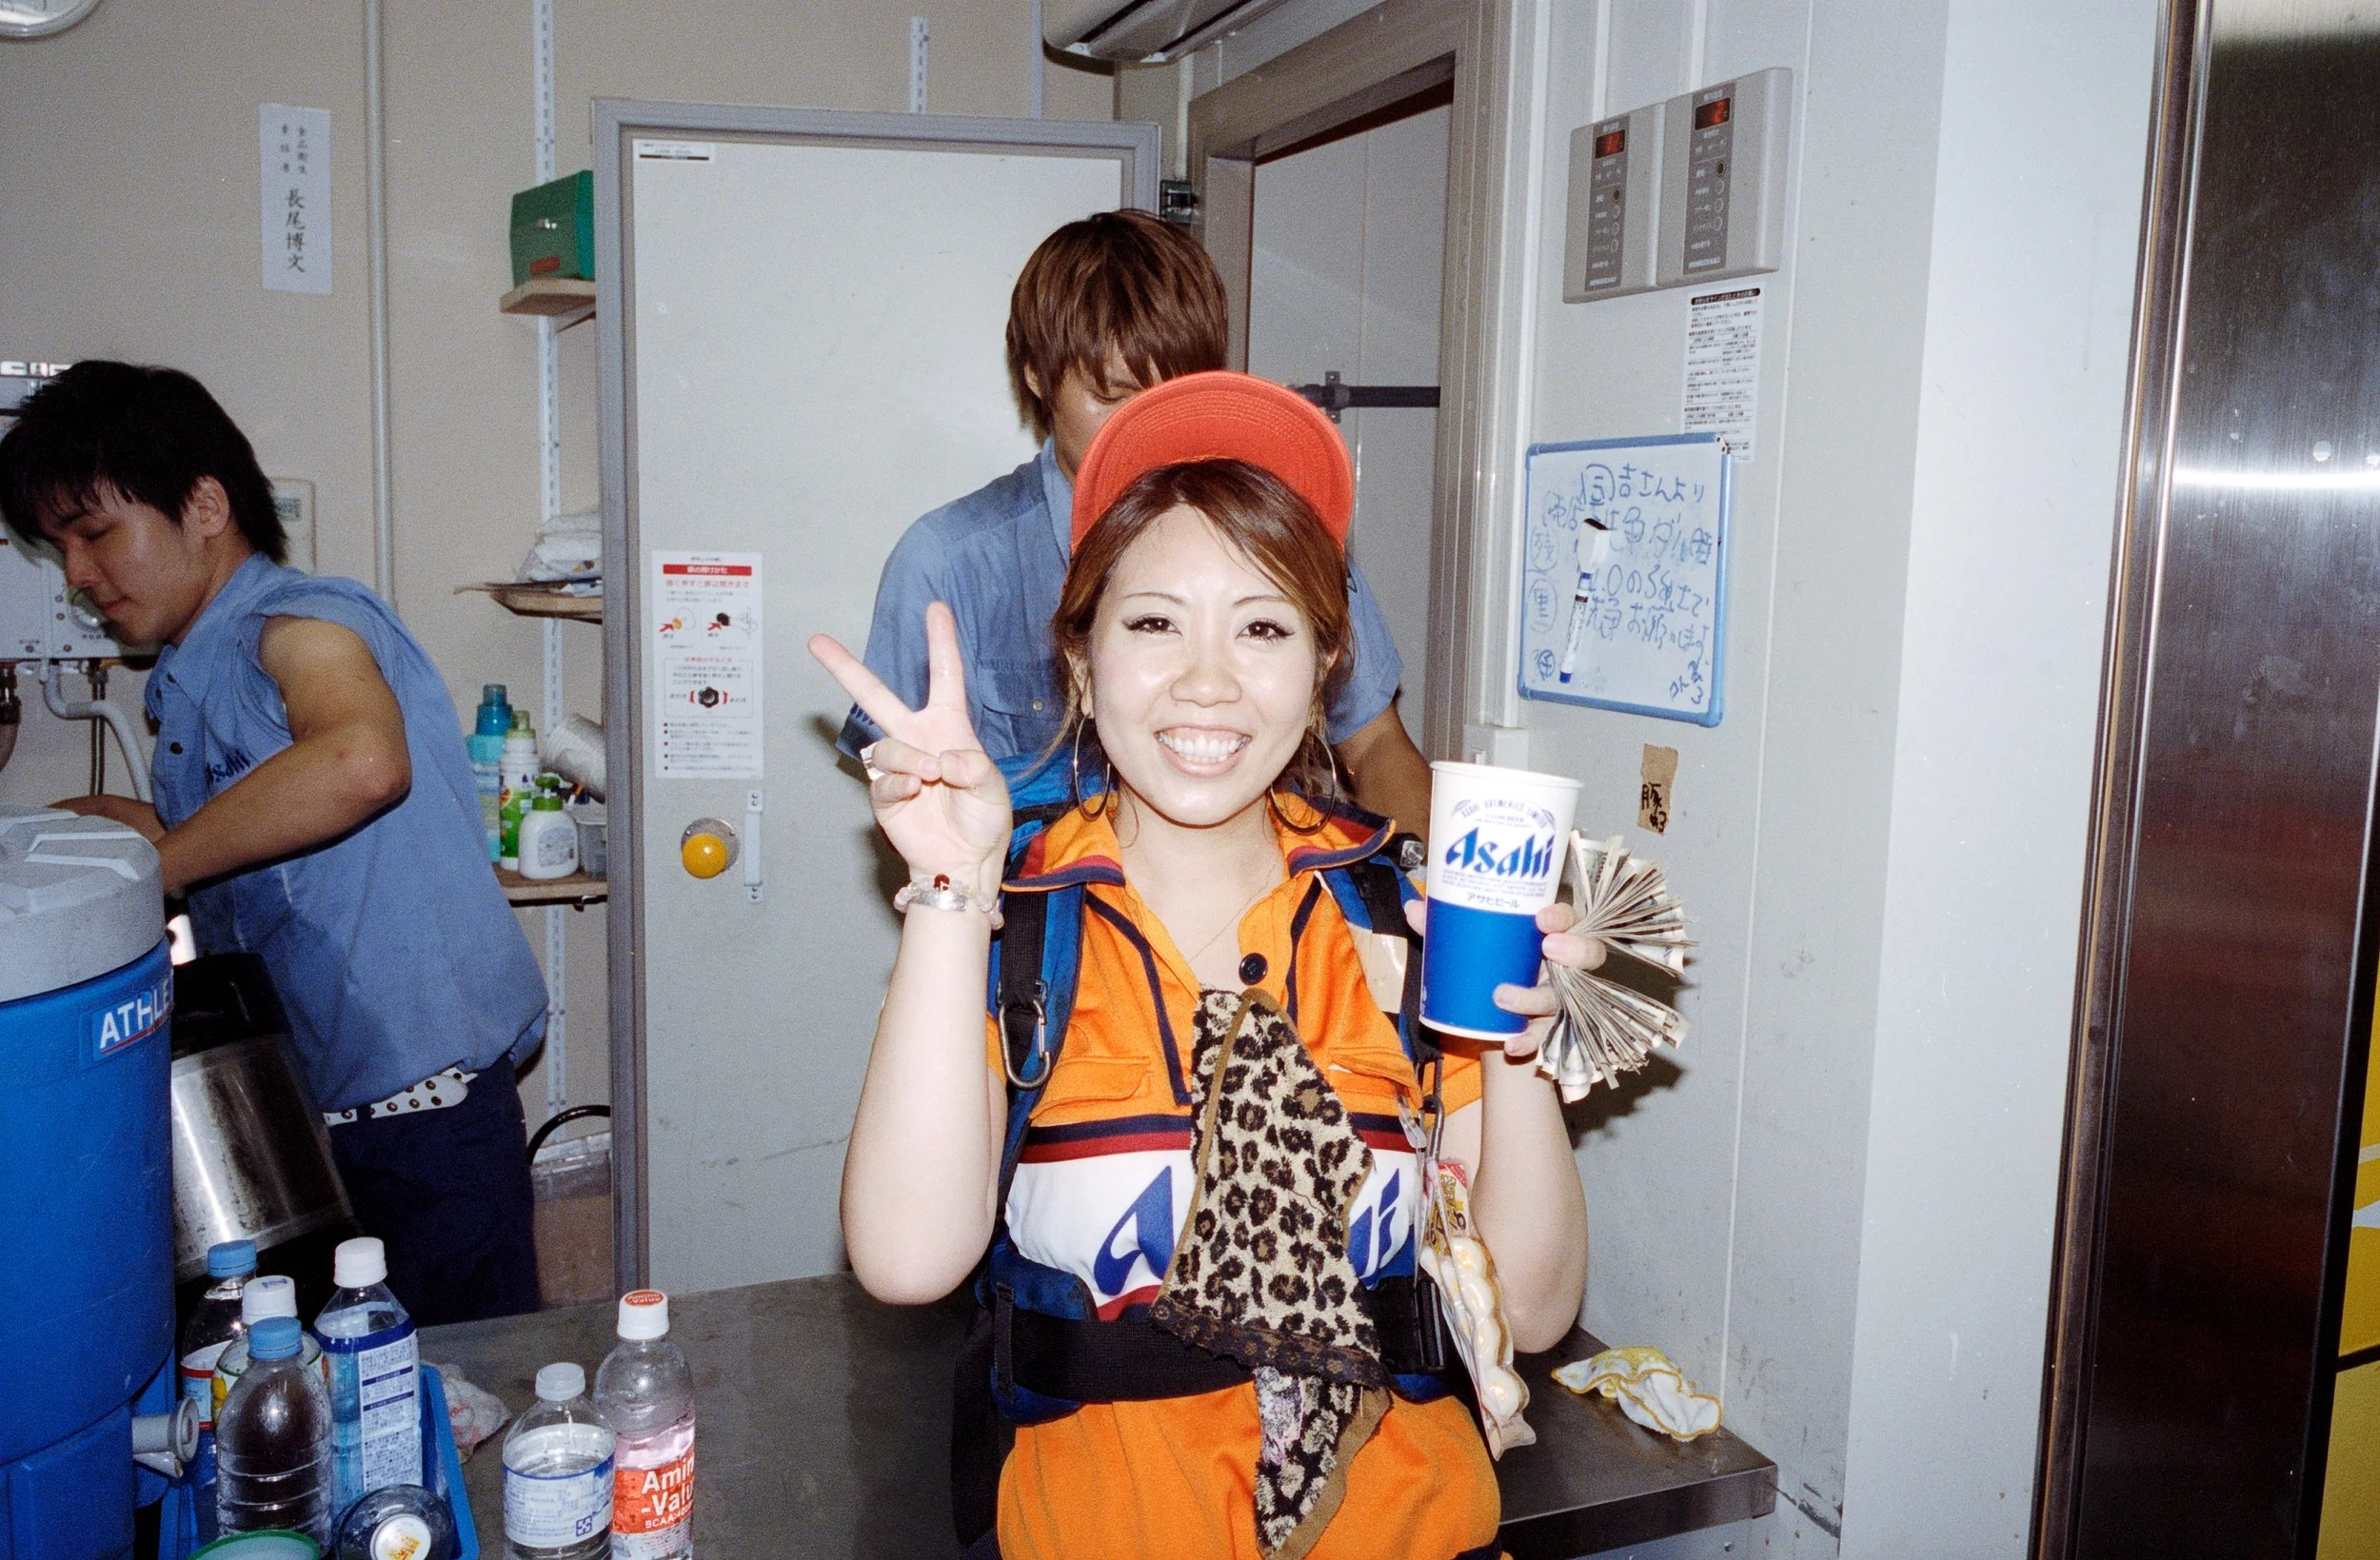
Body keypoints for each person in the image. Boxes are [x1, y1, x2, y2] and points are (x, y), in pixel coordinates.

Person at [810, 372, 1591, 1560]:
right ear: (1080, 657)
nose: (1208, 681)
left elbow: (1531, 1308)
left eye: (1264, 626)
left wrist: (1524, 1032)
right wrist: (951, 886)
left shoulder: (1397, 915)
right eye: (1155, 620)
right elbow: (908, 1260)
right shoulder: (1021, 930)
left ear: (1326, 664)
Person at [0, 362, 545, 1325]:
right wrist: (128, 846)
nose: (80, 577)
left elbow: (360, 762)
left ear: (204, 504)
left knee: (461, 1408)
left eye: (95, 534)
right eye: (58, 549)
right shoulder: (188, 675)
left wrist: (160, 863)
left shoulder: (299, 623)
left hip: (424, 1125)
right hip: (314, 1123)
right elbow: (268, 849)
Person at [838, 208, 1436, 835]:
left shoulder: (1277, 534)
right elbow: (915, 806)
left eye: (1169, 395)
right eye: (1114, 396)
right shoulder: (949, 560)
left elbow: (1376, 746)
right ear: (1037, 375)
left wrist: (1412, 903)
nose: (1142, 428)